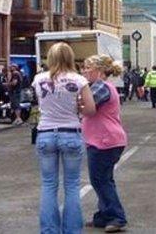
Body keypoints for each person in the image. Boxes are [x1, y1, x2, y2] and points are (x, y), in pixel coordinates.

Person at [33, 43, 98, 233]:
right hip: (70, 133)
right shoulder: (78, 80)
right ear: (70, 58)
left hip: (45, 133)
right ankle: (72, 230)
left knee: (48, 184)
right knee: (71, 185)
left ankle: (49, 230)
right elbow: (91, 109)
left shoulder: (39, 79)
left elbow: (42, 104)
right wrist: (78, 108)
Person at [82, 55, 129, 233]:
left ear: (100, 71)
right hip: (105, 140)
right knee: (103, 179)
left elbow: (87, 106)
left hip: (104, 141)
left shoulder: (100, 86)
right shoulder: (102, 86)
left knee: (100, 180)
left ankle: (117, 217)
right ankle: (104, 215)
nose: (84, 71)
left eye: (88, 68)